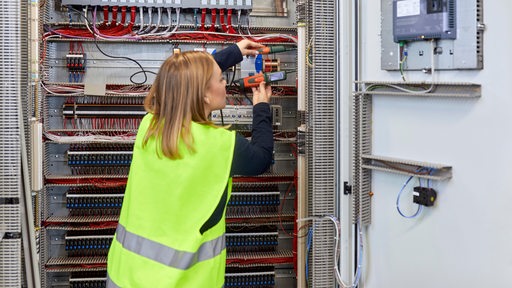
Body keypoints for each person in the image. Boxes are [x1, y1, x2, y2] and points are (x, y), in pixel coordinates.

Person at [106, 39, 274, 288]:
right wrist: (261, 107)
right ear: (204, 95)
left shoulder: (149, 126)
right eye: (219, 79)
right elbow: (261, 159)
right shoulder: (221, 145)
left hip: (125, 275)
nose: (225, 83)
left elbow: (179, 80)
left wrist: (234, 52)